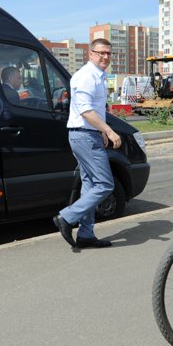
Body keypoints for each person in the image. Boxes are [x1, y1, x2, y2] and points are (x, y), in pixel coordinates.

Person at [53, 38, 122, 250]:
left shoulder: (97, 77)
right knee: (105, 184)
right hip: (84, 135)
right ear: (90, 54)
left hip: (87, 134)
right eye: (101, 53)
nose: (105, 57)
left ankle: (86, 234)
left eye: (109, 53)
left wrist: (100, 129)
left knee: (91, 185)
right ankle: (67, 217)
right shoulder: (86, 76)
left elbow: (93, 110)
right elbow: (85, 110)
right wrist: (108, 130)